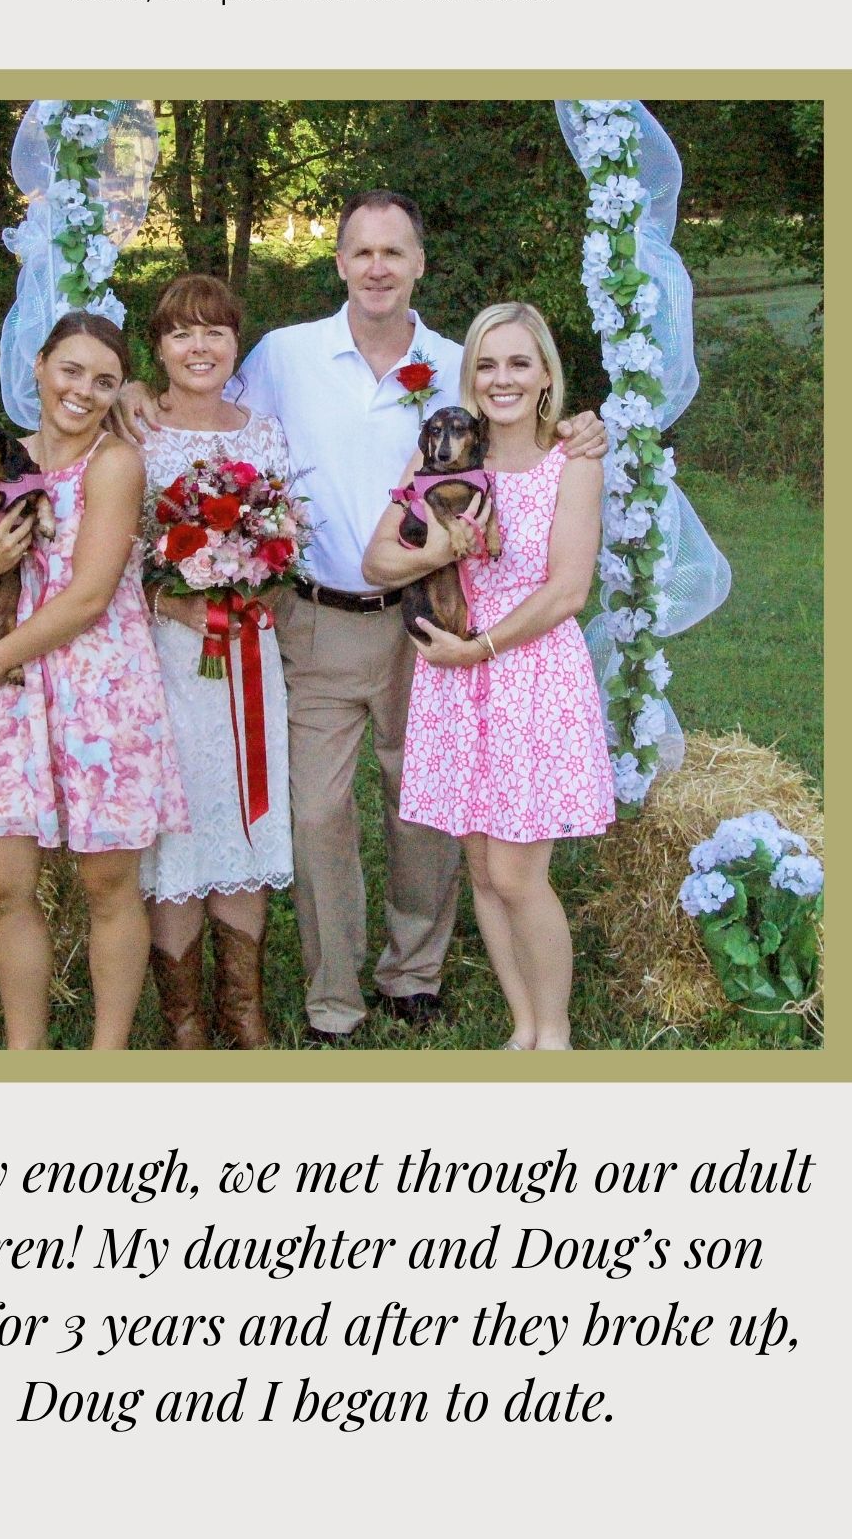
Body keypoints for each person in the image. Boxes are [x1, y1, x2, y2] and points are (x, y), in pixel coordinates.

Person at [118, 191, 605, 1045]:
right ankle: (332, 995)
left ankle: (412, 973)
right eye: (362, 252)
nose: (378, 267)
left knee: (422, 809)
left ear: (419, 263)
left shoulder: (457, 365)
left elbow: (522, 423)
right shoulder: (283, 356)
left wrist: (577, 427)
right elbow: (197, 399)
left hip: (438, 620)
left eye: (396, 252)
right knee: (317, 815)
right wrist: (131, 394)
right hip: (316, 617)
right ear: (338, 263)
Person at [0, 312, 189, 1051]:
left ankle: (105, 1057)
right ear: (37, 366)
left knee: (107, 886)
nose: (84, 391)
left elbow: (90, 594)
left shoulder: (114, 464)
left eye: (104, 380)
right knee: (2, 883)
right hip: (20, 699)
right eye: (70, 371)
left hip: (102, 691)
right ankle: (25, 1054)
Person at [364, 302, 616, 1051]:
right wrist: (440, 552)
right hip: (454, 677)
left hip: (526, 672)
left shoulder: (573, 459)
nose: (501, 379)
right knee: (479, 865)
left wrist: (483, 649)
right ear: (468, 375)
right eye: (486, 364)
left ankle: (557, 1037)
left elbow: (568, 590)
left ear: (546, 376)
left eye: (518, 363)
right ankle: (523, 1028)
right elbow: (378, 561)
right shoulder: (442, 457)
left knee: (516, 873)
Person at [138, 274, 293, 1051]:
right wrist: (177, 600)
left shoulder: (263, 432)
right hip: (166, 655)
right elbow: (113, 556)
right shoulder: (136, 433)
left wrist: (257, 567)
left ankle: (244, 1014)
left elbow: (283, 531)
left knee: (243, 813)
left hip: (248, 653)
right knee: (182, 825)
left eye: (215, 332)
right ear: (159, 348)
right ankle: (185, 1023)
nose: (199, 347)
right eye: (181, 333)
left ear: (236, 343)